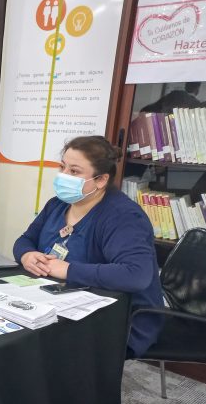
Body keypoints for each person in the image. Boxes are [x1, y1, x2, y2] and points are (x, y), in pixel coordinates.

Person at [13, 135, 164, 358]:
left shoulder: (123, 216)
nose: (63, 176)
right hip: (58, 299)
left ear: (101, 180)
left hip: (118, 317)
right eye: (62, 167)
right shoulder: (58, 204)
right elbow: (25, 239)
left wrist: (67, 270)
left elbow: (135, 274)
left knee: (24, 345)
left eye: (74, 171)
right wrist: (27, 255)